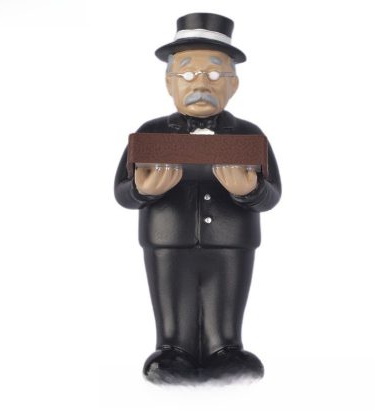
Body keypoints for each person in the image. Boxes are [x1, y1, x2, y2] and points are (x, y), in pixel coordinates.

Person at [114, 13, 281, 384]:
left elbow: (272, 195)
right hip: (167, 241)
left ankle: (227, 347)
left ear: (233, 84)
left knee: (226, 301)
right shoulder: (150, 133)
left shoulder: (250, 135)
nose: (201, 83)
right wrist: (144, 190)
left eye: (215, 74)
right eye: (188, 73)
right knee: (173, 301)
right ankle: (173, 348)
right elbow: (122, 192)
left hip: (231, 242)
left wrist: (250, 191)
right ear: (169, 83)